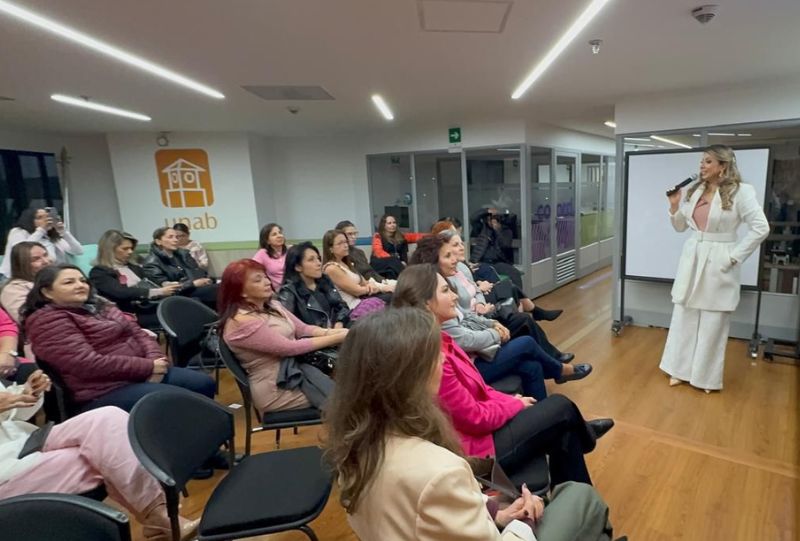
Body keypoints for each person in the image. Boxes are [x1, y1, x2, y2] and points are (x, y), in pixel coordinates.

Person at [325, 307, 616, 541]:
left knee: (559, 425)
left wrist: (497, 514)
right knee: (580, 495)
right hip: (482, 449)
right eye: (432, 355)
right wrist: (524, 523)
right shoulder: (440, 472)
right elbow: (472, 420)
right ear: (406, 376)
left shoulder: (353, 450)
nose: (441, 359)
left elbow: (431, 519)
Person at [392, 264, 613, 488]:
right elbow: (475, 419)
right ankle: (585, 436)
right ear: (426, 303)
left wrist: (511, 401)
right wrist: (514, 405)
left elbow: (482, 389)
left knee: (564, 429)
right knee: (561, 407)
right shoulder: (434, 360)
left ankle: (575, 497)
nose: (455, 296)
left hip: (484, 433)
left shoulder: (443, 341)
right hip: (478, 453)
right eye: (445, 291)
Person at [0, 373, 199, 541]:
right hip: (6, 467)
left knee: (109, 419)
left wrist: (26, 392)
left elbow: (9, 415)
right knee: (101, 456)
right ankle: (161, 516)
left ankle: (159, 515)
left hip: (22, 441)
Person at [23, 264, 216, 413]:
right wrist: (147, 367)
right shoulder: (46, 320)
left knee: (201, 383)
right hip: (102, 390)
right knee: (177, 399)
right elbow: (87, 364)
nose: (80, 285)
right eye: (69, 282)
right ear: (46, 292)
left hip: (139, 373)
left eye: (82, 280)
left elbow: (138, 333)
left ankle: (205, 444)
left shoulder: (99, 305)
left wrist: (156, 362)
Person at [660, 145, 769, 392]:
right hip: (693, 258)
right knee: (684, 316)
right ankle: (679, 370)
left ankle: (704, 378)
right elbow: (680, 227)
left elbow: (761, 228)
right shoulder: (696, 190)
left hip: (720, 259)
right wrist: (675, 206)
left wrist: (734, 257)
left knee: (713, 322)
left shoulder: (742, 192)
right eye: (702, 161)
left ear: (723, 165)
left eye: (708, 161)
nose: (702, 165)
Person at [412, 235, 574, 363]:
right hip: (476, 331)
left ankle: (552, 359)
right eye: (452, 249)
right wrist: (493, 329)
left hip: (479, 318)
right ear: (434, 262)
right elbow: (463, 328)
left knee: (512, 291)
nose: (460, 249)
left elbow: (473, 294)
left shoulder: (458, 270)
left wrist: (482, 305)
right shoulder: (440, 289)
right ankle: (554, 361)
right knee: (519, 314)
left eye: (460, 243)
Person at [219, 259, 346, 415]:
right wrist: (339, 337)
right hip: (279, 387)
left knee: (355, 380)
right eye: (258, 280)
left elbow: (303, 329)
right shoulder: (241, 322)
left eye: (265, 276)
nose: (267, 282)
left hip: (299, 372)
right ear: (241, 292)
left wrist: (335, 332)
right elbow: (289, 348)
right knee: (354, 393)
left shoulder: (273, 306)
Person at [90, 230, 180, 329]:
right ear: (110, 250)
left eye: (131, 248)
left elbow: (150, 279)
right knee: (176, 315)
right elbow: (120, 292)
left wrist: (164, 284)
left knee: (180, 308)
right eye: (125, 248)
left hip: (147, 307)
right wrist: (158, 292)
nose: (130, 252)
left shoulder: (133, 267)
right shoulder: (99, 272)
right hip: (127, 314)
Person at [277, 242, 350, 329]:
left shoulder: (324, 280)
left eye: (318, 258)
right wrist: (327, 333)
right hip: (315, 336)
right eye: (311, 260)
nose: (319, 263)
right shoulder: (289, 291)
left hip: (337, 331)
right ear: (298, 267)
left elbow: (342, 307)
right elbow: (287, 326)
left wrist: (339, 322)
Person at [142, 226, 218, 310]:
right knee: (216, 290)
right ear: (158, 241)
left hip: (194, 289)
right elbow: (168, 289)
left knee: (221, 287)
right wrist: (193, 284)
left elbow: (198, 271)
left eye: (176, 237)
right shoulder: (151, 263)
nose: (175, 240)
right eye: (170, 237)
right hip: (177, 295)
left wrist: (207, 279)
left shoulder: (183, 254)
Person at [322, 229, 389, 319]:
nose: (345, 245)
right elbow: (356, 291)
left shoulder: (346, 263)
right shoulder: (331, 268)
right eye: (340, 243)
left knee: (393, 295)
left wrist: (371, 286)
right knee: (390, 299)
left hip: (361, 300)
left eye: (346, 242)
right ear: (330, 249)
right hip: (352, 309)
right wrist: (370, 288)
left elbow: (365, 282)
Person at [0, 207, 83, 278]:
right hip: (13, 278)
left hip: (43, 277)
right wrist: (41, 230)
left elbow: (78, 251)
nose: (46, 220)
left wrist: (64, 232)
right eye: (40, 217)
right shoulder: (18, 232)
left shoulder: (49, 236)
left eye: (47, 217)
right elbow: (21, 251)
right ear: (29, 220)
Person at [0, 242, 51, 323]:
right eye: (36, 259)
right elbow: (26, 319)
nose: (46, 261)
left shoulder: (55, 281)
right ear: (21, 264)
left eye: (45, 255)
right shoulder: (13, 289)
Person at [369, 214, 425, 279]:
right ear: (383, 225)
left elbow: (416, 236)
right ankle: (409, 278)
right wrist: (396, 261)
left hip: (394, 266)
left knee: (391, 272)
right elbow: (378, 252)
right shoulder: (378, 236)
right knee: (393, 261)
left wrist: (434, 235)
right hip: (379, 263)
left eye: (394, 222)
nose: (392, 225)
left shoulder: (400, 236)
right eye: (389, 223)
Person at [252, 223, 290, 289]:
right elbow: (251, 268)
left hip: (294, 288)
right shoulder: (262, 253)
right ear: (267, 241)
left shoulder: (290, 249)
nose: (279, 236)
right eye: (274, 234)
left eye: (280, 233)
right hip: (277, 291)